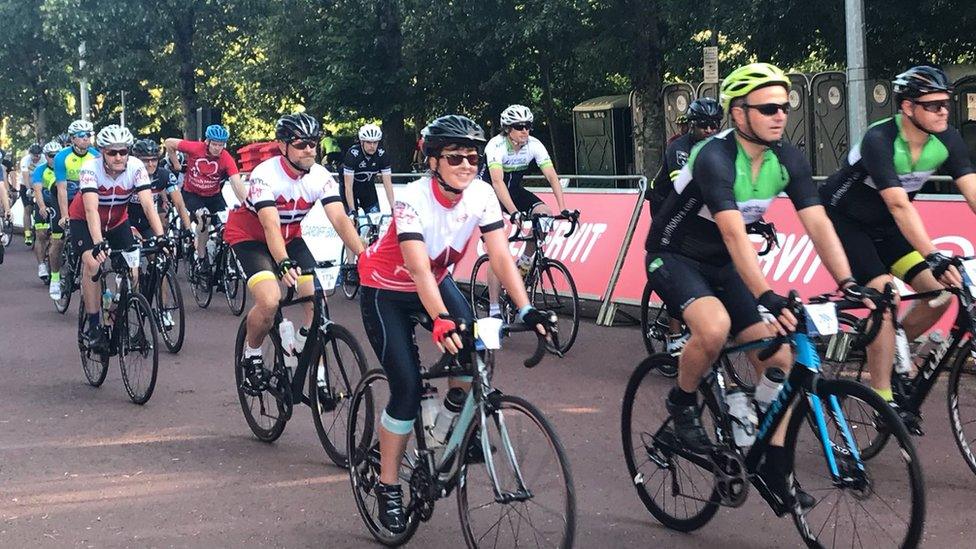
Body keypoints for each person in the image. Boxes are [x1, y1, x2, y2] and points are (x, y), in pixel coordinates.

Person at [645, 63, 874, 510]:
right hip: (674, 254)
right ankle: (682, 402)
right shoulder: (714, 156)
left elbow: (819, 225)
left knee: (782, 360)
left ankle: (770, 461)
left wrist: (849, 281)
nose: (780, 115)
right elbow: (733, 234)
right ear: (738, 113)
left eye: (785, 107)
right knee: (712, 328)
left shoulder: (787, 158)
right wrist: (767, 294)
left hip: (725, 263)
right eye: (768, 107)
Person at [357, 115, 552, 533]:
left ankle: (450, 420)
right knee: (406, 390)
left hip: (436, 284)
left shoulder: (482, 194)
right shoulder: (411, 198)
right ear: (432, 162)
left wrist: (526, 309)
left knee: (476, 348)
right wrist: (441, 321)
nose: (466, 164)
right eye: (455, 157)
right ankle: (388, 486)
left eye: (473, 157)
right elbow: (417, 268)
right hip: (386, 290)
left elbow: (500, 256)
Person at [819, 65, 975, 419]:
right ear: (907, 107)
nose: (943, 111)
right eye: (933, 105)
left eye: (945, 104)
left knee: (938, 295)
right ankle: (883, 399)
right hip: (846, 225)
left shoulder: (947, 139)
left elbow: (971, 190)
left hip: (886, 229)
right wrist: (933, 254)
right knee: (885, 297)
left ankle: (891, 342)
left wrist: (931, 263)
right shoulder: (881, 139)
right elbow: (898, 204)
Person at [226, 113, 364, 387]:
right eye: (301, 144)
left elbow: (339, 218)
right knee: (269, 300)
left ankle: (303, 347)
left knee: (317, 299)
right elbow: (269, 225)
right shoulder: (265, 175)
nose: (309, 149)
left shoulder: (321, 176)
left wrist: (364, 255)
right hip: (250, 238)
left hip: (290, 238)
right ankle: (252, 354)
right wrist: (284, 263)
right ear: (283, 146)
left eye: (314, 143)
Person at [68, 125, 167, 351]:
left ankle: (115, 308)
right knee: (93, 264)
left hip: (117, 222)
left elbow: (148, 205)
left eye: (123, 151)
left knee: (133, 270)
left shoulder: (135, 167)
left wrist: (161, 237)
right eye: (112, 152)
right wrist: (98, 243)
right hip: (84, 221)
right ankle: (94, 326)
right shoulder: (90, 169)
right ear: (102, 152)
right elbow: (91, 210)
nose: (118, 157)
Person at [646, 98, 724, 353]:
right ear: (691, 126)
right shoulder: (679, 148)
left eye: (715, 124)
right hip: (666, 205)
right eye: (704, 125)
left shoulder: (721, 148)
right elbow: (686, 191)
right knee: (679, 262)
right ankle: (675, 334)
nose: (710, 130)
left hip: (695, 208)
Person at [481, 104, 572, 317]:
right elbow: (497, 183)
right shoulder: (496, 146)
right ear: (507, 129)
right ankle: (494, 310)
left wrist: (564, 208)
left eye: (528, 126)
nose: (525, 131)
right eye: (519, 126)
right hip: (490, 193)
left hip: (515, 190)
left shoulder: (534, 145)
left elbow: (551, 176)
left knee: (545, 214)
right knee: (498, 248)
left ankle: (522, 268)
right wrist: (514, 213)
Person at [163, 124, 246, 277]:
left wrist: (247, 203)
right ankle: (201, 260)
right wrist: (176, 164)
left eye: (221, 145)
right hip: (192, 194)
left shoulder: (226, 157)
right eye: (214, 144)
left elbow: (236, 182)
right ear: (207, 142)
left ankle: (224, 259)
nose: (217, 148)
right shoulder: (195, 148)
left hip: (213, 196)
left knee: (227, 225)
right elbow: (169, 142)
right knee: (204, 218)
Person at [50, 119, 100, 301]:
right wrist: (64, 215)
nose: (86, 139)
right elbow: (61, 189)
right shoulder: (61, 157)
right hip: (65, 197)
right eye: (82, 136)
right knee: (58, 239)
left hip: (86, 197)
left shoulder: (95, 156)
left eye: (89, 135)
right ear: (72, 139)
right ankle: (55, 277)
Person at [129, 139, 191, 238]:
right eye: (145, 160)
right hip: (126, 223)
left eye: (154, 159)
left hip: (147, 223)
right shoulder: (127, 176)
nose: (150, 164)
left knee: (159, 249)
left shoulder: (164, 175)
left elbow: (179, 204)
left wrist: (188, 229)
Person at [341, 123, 394, 214]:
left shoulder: (382, 154)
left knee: (375, 220)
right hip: (350, 189)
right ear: (362, 142)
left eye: (375, 142)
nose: (372, 146)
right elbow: (348, 186)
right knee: (351, 222)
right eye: (369, 142)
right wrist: (352, 211)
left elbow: (388, 184)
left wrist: (393, 208)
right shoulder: (353, 154)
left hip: (368, 189)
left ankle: (373, 228)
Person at [31, 141, 62, 282]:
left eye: (57, 155)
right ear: (46, 156)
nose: (54, 158)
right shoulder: (40, 170)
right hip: (44, 202)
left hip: (59, 204)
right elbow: (37, 190)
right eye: (51, 156)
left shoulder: (64, 169)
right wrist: (42, 206)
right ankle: (41, 264)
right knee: (41, 234)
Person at [19, 143, 44, 247]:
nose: (36, 157)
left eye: (38, 155)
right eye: (34, 155)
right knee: (28, 209)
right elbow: (25, 176)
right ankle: (28, 234)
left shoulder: (44, 159)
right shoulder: (25, 160)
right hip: (26, 185)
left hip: (40, 185)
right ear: (30, 154)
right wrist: (29, 189)